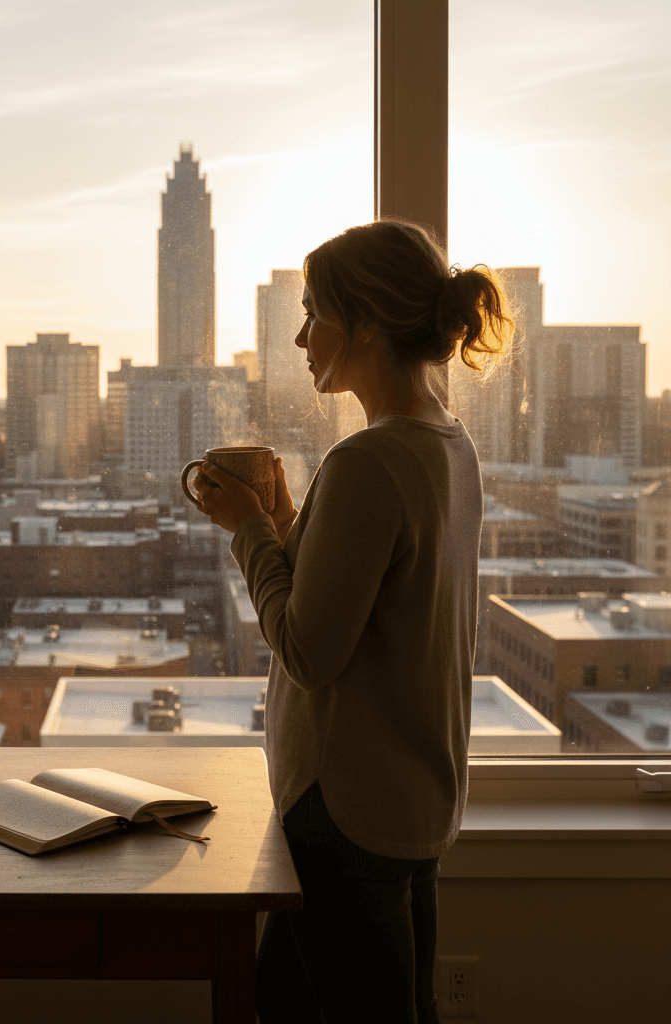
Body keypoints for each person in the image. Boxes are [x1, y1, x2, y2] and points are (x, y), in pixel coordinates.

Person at [187, 219, 514, 1023]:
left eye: (312, 313)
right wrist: (288, 510)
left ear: (364, 322)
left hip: (347, 812)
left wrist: (249, 531)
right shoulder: (447, 445)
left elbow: (307, 647)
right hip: (410, 797)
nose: (300, 336)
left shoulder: (367, 462)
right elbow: (363, 595)